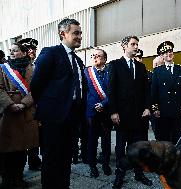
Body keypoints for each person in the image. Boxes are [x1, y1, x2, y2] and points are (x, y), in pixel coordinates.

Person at [30, 18, 86, 189]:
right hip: (54, 119)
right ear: (63, 34)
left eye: (80, 33)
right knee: (52, 159)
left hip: (72, 118)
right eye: (75, 33)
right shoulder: (50, 53)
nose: (79, 36)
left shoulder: (77, 60)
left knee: (66, 158)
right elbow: (36, 85)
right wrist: (48, 111)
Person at [108, 36, 152, 189]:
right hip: (123, 116)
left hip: (140, 116)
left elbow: (147, 90)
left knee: (139, 147)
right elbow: (111, 90)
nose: (136, 47)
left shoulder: (140, 67)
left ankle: (139, 173)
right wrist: (113, 112)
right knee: (121, 148)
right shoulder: (114, 65)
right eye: (133, 44)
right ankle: (119, 176)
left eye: (137, 44)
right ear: (124, 46)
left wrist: (147, 107)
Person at [0, 42, 39, 188]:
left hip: (26, 112)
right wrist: (10, 104)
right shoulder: (3, 68)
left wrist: (24, 103)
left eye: (15, 51)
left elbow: (36, 89)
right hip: (9, 114)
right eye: (10, 51)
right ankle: (7, 180)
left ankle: (19, 178)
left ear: (23, 53)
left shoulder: (32, 68)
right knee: (8, 149)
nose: (11, 53)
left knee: (22, 148)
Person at [151, 41, 181, 145]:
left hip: (178, 111)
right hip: (163, 112)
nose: (169, 54)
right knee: (163, 140)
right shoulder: (157, 71)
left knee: (177, 139)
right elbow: (154, 92)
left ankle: (177, 160)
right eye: (166, 53)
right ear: (162, 56)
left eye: (170, 51)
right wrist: (155, 109)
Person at [85, 48, 112, 178]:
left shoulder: (111, 72)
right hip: (91, 111)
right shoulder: (87, 72)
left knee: (106, 140)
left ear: (105, 59)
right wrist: (94, 106)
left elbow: (114, 91)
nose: (95, 57)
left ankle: (105, 163)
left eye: (98, 55)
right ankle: (92, 166)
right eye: (93, 55)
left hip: (106, 111)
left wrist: (104, 104)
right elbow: (84, 93)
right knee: (92, 140)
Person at [18, 38, 42, 171]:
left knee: (35, 135)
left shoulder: (37, 65)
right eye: (29, 49)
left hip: (36, 106)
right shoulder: (17, 66)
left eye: (34, 49)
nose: (32, 51)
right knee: (21, 137)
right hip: (22, 105)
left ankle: (34, 161)